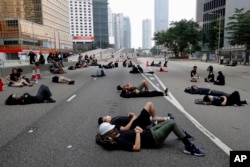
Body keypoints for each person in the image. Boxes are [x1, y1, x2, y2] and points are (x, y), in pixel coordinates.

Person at [96, 120, 205, 156]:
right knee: (172, 123)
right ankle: (189, 147)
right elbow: (136, 147)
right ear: (108, 134)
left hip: (149, 132)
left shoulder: (118, 133)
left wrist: (138, 129)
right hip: (154, 139)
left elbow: (131, 132)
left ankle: (182, 134)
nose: (114, 128)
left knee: (168, 121)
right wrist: (138, 133)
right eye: (111, 129)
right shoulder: (119, 141)